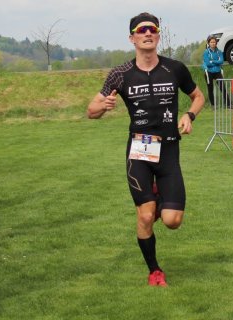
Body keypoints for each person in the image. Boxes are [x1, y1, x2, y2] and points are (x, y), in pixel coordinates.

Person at [86, 12, 204, 287]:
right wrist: (101, 108)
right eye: (141, 30)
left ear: (158, 35)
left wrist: (189, 115)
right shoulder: (120, 74)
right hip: (139, 151)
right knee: (146, 215)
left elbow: (198, 96)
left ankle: (159, 198)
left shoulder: (174, 69)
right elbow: (90, 110)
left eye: (152, 29)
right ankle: (154, 271)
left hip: (169, 151)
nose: (147, 33)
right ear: (132, 38)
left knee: (172, 220)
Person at [202, 36, 230, 107]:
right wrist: (216, 62)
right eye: (211, 42)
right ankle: (213, 105)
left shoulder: (219, 52)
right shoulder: (206, 52)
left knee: (223, 88)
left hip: (217, 71)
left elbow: (221, 61)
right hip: (209, 72)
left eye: (214, 42)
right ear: (209, 43)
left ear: (216, 43)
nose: (213, 43)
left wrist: (212, 61)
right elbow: (207, 63)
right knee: (210, 89)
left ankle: (228, 104)